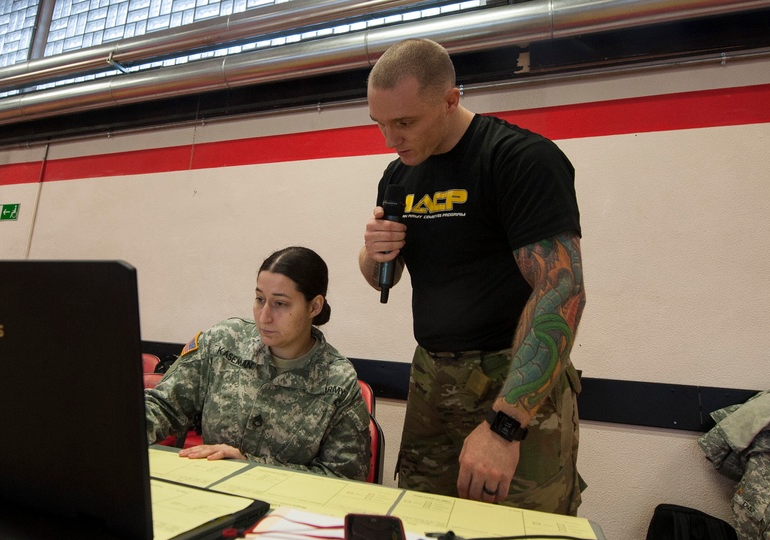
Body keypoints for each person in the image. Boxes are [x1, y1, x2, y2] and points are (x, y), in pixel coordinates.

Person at [358, 38, 586, 515]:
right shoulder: (399, 175)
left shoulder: (519, 159)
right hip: (431, 381)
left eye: (405, 122)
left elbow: (561, 292)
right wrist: (371, 254)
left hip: (512, 384)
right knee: (421, 529)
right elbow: (384, 274)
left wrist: (506, 427)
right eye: (380, 125)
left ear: (450, 100)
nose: (391, 139)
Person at [146, 246, 371, 481]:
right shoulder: (224, 342)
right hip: (210, 494)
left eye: (280, 304)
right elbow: (163, 406)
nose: (264, 316)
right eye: (260, 299)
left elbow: (343, 478)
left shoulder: (337, 380)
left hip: (286, 510)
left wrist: (248, 465)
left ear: (314, 306)